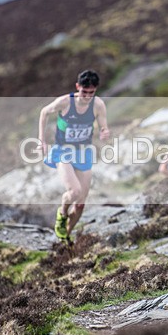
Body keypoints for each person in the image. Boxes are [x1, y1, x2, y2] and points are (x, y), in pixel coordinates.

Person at [38, 70, 110, 244]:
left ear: (96, 90)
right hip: (63, 151)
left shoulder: (98, 105)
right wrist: (42, 140)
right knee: (74, 191)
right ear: (78, 87)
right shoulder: (65, 102)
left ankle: (65, 236)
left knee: (80, 204)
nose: (87, 96)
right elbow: (44, 113)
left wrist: (104, 131)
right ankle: (62, 213)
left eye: (91, 93)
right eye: (84, 92)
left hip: (84, 152)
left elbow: (103, 125)